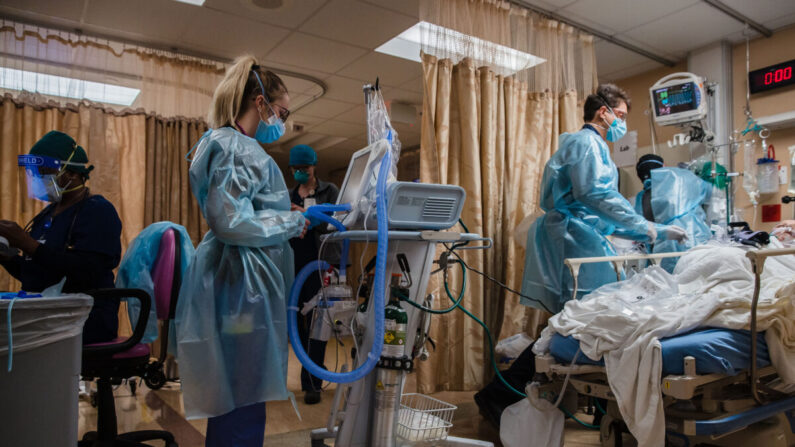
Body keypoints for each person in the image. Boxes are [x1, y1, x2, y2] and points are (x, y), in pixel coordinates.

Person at [475, 84, 687, 427]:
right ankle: (499, 395)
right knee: (576, 321)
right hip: (572, 237)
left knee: (576, 322)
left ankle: (590, 406)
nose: (621, 123)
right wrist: (649, 228)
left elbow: (602, 209)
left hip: (581, 233)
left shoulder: (595, 148)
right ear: (602, 112)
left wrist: (650, 231)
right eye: (619, 115)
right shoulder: (585, 143)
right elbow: (597, 196)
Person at [175, 55, 310, 447]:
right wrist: (290, 222)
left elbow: (240, 209)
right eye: (281, 112)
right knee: (244, 387)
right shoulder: (237, 147)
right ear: (260, 102)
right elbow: (231, 221)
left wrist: (283, 213)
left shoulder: (228, 144)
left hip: (237, 289)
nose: (280, 123)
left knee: (235, 386)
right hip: (243, 293)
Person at [0, 131, 122, 344]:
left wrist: (26, 243)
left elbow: (87, 270)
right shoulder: (47, 215)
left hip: (83, 318)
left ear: (72, 174)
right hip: (48, 313)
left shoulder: (97, 211)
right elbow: (38, 274)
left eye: (43, 172)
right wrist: (6, 256)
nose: (36, 178)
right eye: (33, 173)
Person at [287, 144, 341, 405]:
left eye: (304, 169)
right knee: (294, 324)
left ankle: (312, 384)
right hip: (293, 266)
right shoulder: (288, 196)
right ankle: (296, 376)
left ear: (314, 166)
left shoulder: (328, 191)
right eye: (296, 169)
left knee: (317, 326)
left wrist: (307, 216)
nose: (300, 173)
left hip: (319, 266)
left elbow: (337, 221)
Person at [634, 155, 712, 271]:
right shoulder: (682, 179)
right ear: (663, 166)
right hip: (694, 243)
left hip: (663, 254)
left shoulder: (642, 198)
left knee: (672, 285)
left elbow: (641, 229)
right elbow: (712, 192)